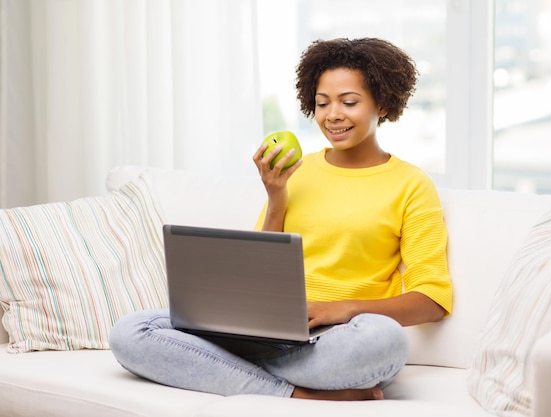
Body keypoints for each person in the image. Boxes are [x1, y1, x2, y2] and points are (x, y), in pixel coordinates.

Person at [109, 37, 452, 402]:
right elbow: (258, 272)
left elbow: (431, 300)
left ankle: (220, 369)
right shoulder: (297, 171)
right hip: (263, 334)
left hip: (333, 341)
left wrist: (343, 309)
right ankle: (297, 394)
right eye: (322, 103)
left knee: (385, 341)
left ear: (382, 104)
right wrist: (276, 197)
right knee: (132, 332)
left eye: (348, 102)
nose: (332, 114)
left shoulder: (411, 184)